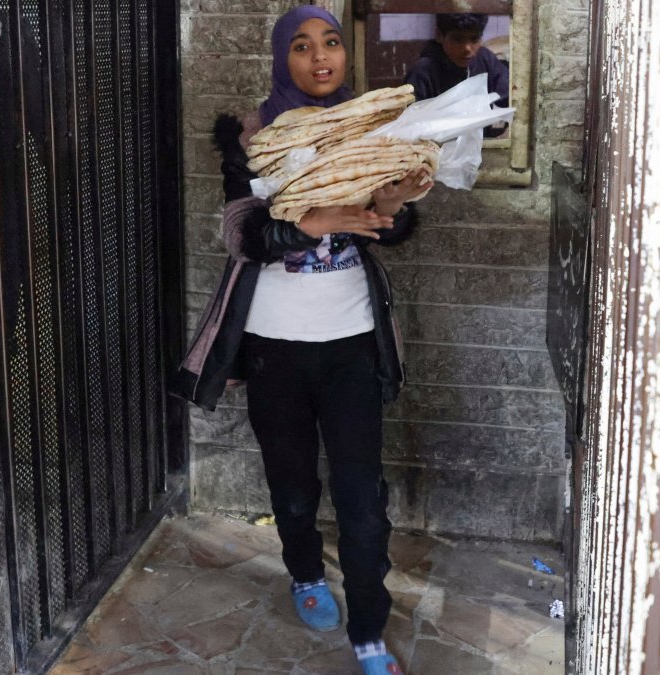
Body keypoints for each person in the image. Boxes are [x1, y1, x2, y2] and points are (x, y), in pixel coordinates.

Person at [171, 7, 428, 675]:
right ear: (282, 57)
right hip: (274, 349)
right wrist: (316, 221)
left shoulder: (372, 126)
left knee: (362, 500)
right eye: (304, 47)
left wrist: (392, 207)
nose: (321, 58)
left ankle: (369, 630)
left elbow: (389, 228)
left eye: (332, 44)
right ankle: (306, 572)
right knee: (291, 483)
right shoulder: (255, 136)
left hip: (351, 346)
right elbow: (243, 234)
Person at [405, 13, 510, 136]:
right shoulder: (422, 71)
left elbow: (509, 97)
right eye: (457, 39)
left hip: (481, 146)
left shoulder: (486, 59)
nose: (467, 48)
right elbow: (412, 125)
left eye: (474, 39)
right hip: (438, 149)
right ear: (439, 35)